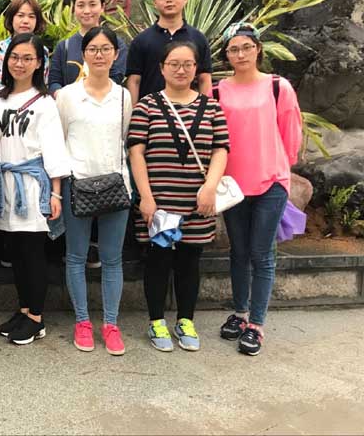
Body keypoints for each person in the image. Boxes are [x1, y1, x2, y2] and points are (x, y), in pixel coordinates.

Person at [128, 41, 229, 353]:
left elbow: (221, 149)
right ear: (162, 68)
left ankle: (186, 320)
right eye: (174, 64)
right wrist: (146, 197)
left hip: (198, 200)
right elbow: (136, 152)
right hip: (158, 201)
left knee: (189, 262)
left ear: (196, 69)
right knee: (157, 261)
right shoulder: (146, 106)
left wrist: (210, 187)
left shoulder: (211, 107)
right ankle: (156, 320)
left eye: (187, 64)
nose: (181, 70)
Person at [214, 23, 302, 356]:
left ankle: (257, 324)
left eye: (246, 47)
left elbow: (290, 135)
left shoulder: (278, 87)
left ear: (258, 49)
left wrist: (280, 170)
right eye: (234, 49)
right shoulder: (218, 91)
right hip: (233, 185)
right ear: (227, 54)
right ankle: (240, 313)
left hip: (270, 182)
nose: (241, 54)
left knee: (261, 253)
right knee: (238, 251)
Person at [0, 33, 70, 345]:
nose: (19, 63)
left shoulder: (45, 103)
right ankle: (23, 310)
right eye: (14, 57)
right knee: (16, 252)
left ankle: (36, 317)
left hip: (33, 186)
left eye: (27, 58)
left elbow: (54, 148)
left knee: (33, 251)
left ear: (39, 64)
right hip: (5, 185)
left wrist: (56, 193)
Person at [56, 26, 132, 355]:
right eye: (92, 49)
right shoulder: (66, 96)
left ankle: (111, 324)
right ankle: (83, 322)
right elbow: (59, 140)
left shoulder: (124, 96)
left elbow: (124, 139)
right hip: (78, 184)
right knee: (76, 256)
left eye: (105, 49)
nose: (99, 55)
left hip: (115, 184)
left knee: (112, 259)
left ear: (116, 54)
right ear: (83, 54)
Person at [126, 0, 213, 105]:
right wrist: (134, 111)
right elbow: (134, 81)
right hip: (151, 111)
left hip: (189, 111)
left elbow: (204, 79)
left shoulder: (198, 38)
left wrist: (203, 110)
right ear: (154, 2)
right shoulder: (141, 40)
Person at [49, 0, 127, 92]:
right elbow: (54, 82)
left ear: (102, 7)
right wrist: (63, 96)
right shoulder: (64, 46)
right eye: (81, 5)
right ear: (74, 7)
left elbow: (116, 78)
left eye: (92, 5)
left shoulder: (116, 44)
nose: (86, 11)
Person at [0, 0, 50, 92]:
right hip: (2, 98)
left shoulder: (42, 51)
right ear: (11, 18)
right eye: (20, 15)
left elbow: (43, 84)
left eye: (31, 16)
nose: (26, 21)